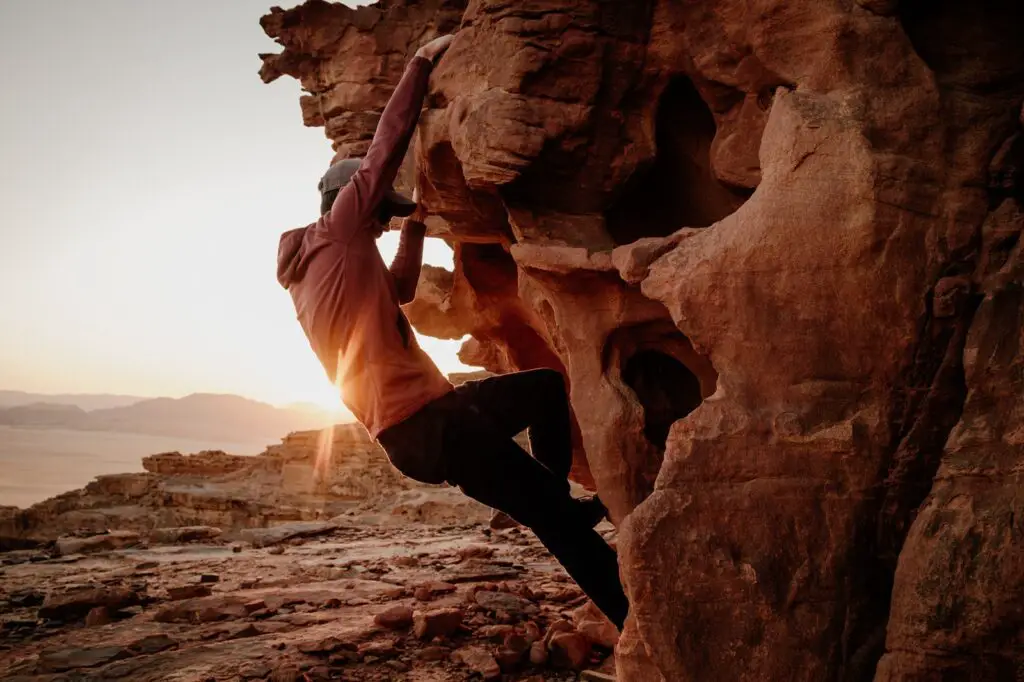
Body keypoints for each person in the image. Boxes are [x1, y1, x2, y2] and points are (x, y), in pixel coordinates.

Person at [275, 34, 629, 629]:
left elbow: (403, 290)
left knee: (542, 388)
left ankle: (558, 503)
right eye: (380, 212)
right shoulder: (337, 235)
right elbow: (385, 147)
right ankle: (637, 618)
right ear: (348, 201)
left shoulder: (323, 270)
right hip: (426, 427)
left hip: (432, 415)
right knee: (555, 522)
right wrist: (419, 62)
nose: (384, 221)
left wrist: (416, 222)